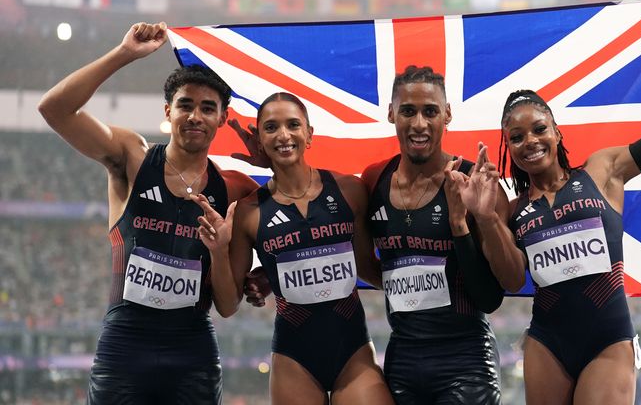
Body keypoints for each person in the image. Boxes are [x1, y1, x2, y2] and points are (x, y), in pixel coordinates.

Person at [466, 0, 641, 404]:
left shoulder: (604, 170)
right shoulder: (510, 209)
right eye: (517, 136)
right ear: (507, 147)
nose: (530, 141)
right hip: (546, 343)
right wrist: (485, 220)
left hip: (608, 339)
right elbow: (507, 283)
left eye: (539, 129)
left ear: (557, 131)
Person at [38, 22, 259, 403]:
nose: (195, 116)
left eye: (208, 108)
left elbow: (226, 306)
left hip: (193, 352)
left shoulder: (235, 189)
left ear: (222, 118)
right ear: (168, 110)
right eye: (186, 105)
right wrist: (124, 53)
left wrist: (230, 256)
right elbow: (54, 108)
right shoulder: (132, 157)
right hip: (125, 347)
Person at [193, 92, 393, 405]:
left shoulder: (349, 191)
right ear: (260, 140)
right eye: (271, 128)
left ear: (309, 134)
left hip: (353, 353)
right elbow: (229, 305)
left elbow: (368, 267)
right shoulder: (249, 211)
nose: (284, 135)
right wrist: (218, 250)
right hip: (294, 359)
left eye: (293, 125)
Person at [359, 66, 525, 404]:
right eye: (408, 111)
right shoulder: (374, 178)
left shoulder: (476, 183)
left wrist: (474, 218)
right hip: (402, 358)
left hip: (465, 362)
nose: (419, 124)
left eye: (430, 111)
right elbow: (362, 262)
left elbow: (505, 285)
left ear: (446, 114)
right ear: (392, 114)